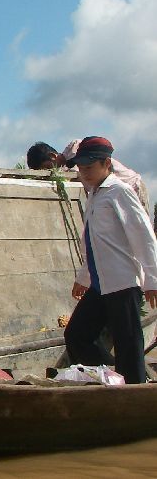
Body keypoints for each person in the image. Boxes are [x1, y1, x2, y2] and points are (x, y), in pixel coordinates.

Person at [62, 136, 157, 384]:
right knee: (76, 335)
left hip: (123, 281)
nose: (84, 173)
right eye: (81, 169)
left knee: (128, 343)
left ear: (106, 163)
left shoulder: (119, 191)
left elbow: (143, 236)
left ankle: (133, 393)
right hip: (100, 283)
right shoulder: (95, 194)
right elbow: (93, 244)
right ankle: (113, 377)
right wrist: (83, 277)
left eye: (89, 168)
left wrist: (152, 280)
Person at [27, 139, 150, 214]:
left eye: (48, 167)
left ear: (53, 156)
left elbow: (78, 169)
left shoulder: (76, 148)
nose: (51, 171)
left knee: (137, 232)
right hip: (114, 196)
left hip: (132, 186)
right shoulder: (66, 169)